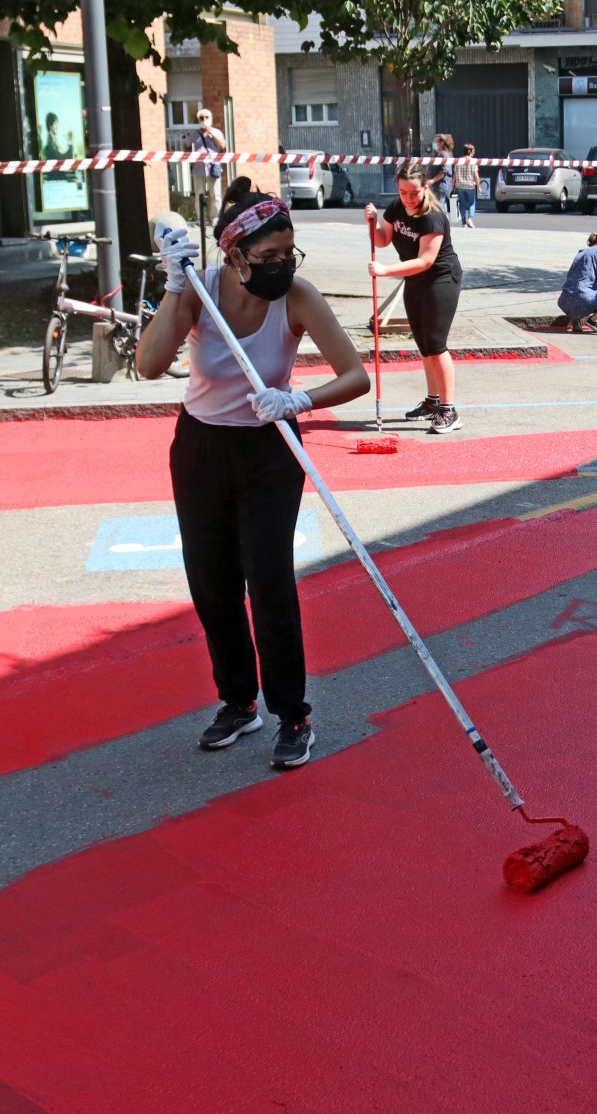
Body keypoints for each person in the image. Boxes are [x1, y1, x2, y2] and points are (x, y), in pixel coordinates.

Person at [134, 181, 370, 769]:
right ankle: (240, 703)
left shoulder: (297, 296)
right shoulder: (201, 290)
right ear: (233, 255)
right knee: (212, 583)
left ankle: (293, 713)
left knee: (268, 583)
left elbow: (354, 375)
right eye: (266, 259)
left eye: (288, 254)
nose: (280, 267)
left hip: (269, 448)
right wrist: (172, 284)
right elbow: (148, 365)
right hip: (201, 448)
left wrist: (299, 401)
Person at [368, 161, 465, 433]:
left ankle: (449, 410)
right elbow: (382, 240)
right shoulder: (397, 208)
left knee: (435, 344)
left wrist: (385, 270)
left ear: (426, 187)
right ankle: (433, 402)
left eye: (414, 193)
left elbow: (424, 260)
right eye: (403, 192)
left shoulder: (432, 216)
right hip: (416, 280)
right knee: (423, 344)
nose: (409, 199)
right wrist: (373, 223)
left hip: (441, 278)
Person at [188, 109, 228, 220]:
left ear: (211, 119)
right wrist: (191, 159)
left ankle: (215, 218)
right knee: (199, 195)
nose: (204, 120)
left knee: (216, 194)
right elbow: (186, 144)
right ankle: (201, 219)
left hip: (213, 167)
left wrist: (211, 133)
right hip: (198, 168)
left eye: (206, 117)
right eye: (202, 118)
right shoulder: (195, 134)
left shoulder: (217, 132)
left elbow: (222, 145)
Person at [427, 134, 455, 220]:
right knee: (439, 207)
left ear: (442, 143)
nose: (433, 144)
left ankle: (443, 225)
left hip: (441, 186)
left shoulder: (444, 155)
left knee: (439, 207)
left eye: (435, 142)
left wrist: (433, 180)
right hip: (434, 186)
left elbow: (444, 171)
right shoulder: (436, 154)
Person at [452, 143, 480, 229]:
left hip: (460, 186)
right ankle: (470, 219)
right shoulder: (473, 161)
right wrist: (478, 186)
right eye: (473, 150)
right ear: (469, 151)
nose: (474, 152)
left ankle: (464, 223)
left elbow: (455, 175)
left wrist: (452, 185)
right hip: (470, 186)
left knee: (462, 205)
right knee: (472, 203)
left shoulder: (458, 161)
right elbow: (475, 175)